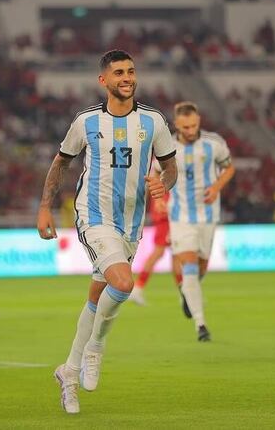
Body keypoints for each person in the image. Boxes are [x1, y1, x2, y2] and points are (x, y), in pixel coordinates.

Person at [37, 49, 177, 414]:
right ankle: (96, 346)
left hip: (132, 222)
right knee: (123, 282)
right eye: (118, 72)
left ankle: (68, 371)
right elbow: (61, 163)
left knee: (100, 295)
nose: (127, 77)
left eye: (131, 71)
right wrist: (44, 208)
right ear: (104, 80)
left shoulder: (154, 121)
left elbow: (170, 167)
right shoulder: (86, 121)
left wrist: (164, 183)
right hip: (94, 215)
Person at [169, 101, 235, 342]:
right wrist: (156, 196)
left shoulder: (213, 143)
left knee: (200, 268)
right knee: (189, 266)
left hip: (208, 214)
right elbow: (155, 174)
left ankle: (185, 291)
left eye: (194, 125)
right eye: (185, 126)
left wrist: (217, 186)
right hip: (180, 214)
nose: (190, 130)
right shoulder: (166, 146)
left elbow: (229, 168)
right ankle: (201, 324)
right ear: (176, 124)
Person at [129, 187, 182, 306]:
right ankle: (138, 288)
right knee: (159, 252)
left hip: (169, 215)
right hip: (166, 216)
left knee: (176, 255)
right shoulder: (162, 171)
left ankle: (184, 293)